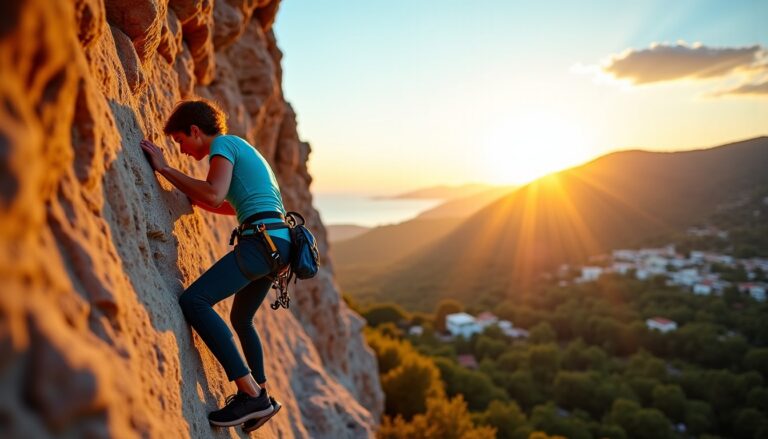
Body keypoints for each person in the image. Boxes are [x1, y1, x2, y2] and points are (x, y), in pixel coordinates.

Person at [140, 99, 287, 430]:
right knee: (242, 318)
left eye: (180, 141)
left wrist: (164, 169)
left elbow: (214, 194)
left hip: (261, 243)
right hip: (280, 244)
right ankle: (262, 396)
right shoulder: (244, 148)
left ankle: (251, 395)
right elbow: (231, 203)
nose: (181, 150)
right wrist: (192, 194)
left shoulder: (223, 143)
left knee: (195, 301)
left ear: (195, 130)